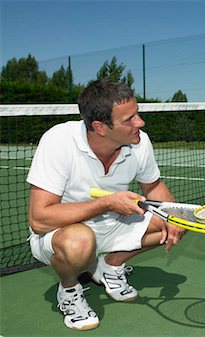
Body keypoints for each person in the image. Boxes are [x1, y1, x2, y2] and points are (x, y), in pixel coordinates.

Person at [27, 79, 186, 331]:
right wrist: (106, 203)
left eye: (138, 114)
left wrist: (176, 215)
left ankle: (110, 266)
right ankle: (69, 290)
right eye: (129, 119)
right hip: (62, 233)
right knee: (79, 242)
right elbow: (38, 219)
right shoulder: (58, 141)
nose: (140, 123)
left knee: (176, 218)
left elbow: (154, 187)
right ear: (100, 127)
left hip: (114, 225)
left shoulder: (139, 142)